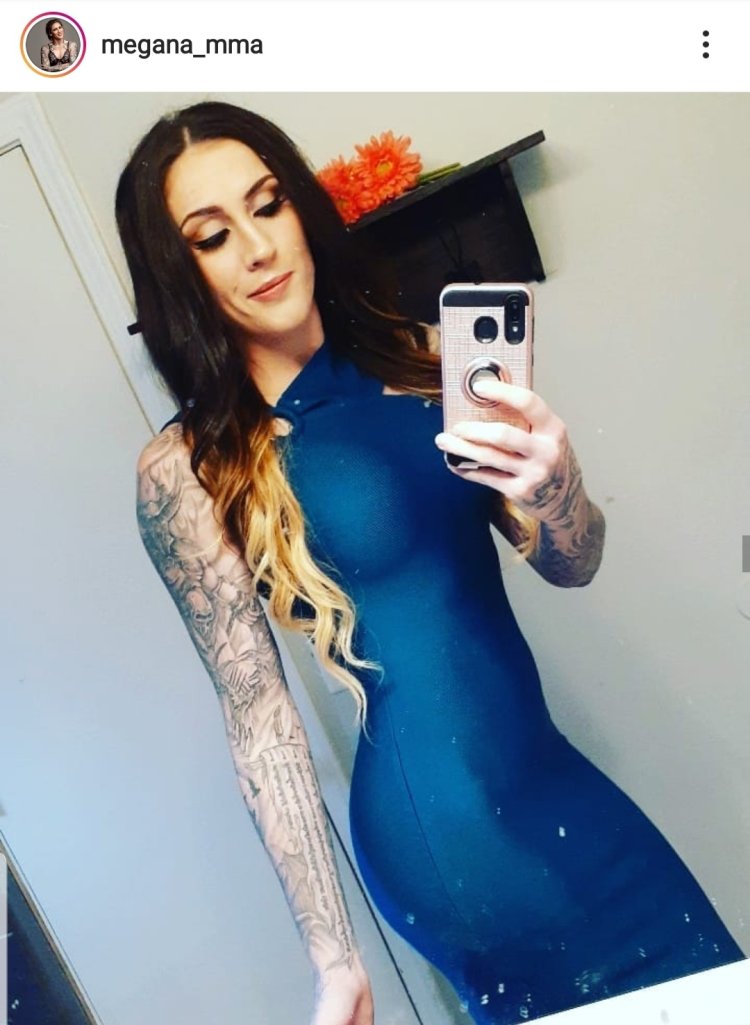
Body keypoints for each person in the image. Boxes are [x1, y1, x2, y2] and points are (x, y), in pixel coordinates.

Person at [116, 101, 745, 1025]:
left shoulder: (427, 363)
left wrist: (557, 485)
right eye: (211, 237)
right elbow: (259, 721)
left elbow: (574, 563)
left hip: (553, 777)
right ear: (181, 277)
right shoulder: (190, 468)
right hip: (453, 830)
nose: (257, 247)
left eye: (268, 203)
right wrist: (335, 961)